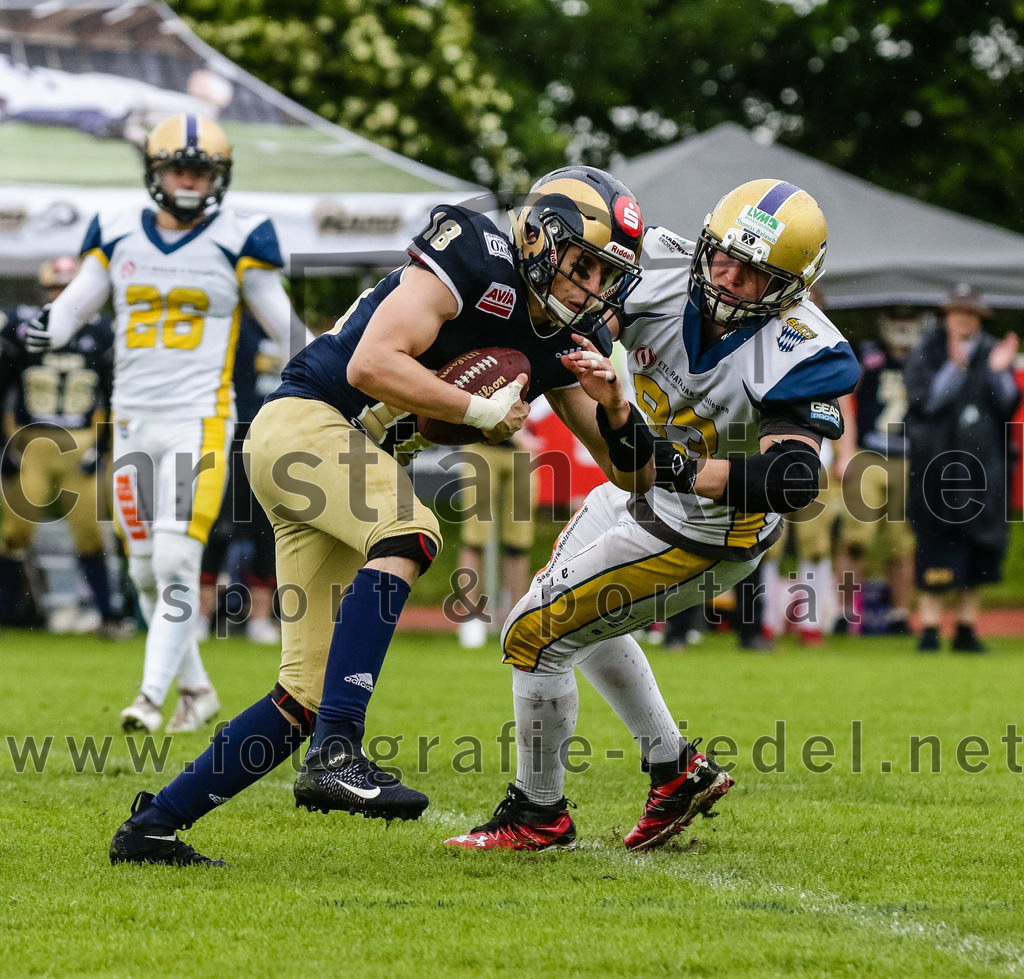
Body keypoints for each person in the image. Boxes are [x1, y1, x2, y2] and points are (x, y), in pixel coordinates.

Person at [105, 166, 650, 866]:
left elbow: (629, 471)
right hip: (307, 421)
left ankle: (152, 827)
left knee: (302, 695)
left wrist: (617, 408)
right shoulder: (476, 251)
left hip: (342, 454)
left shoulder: (569, 335)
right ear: (540, 240)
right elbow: (369, 364)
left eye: (607, 275)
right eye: (583, 266)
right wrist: (476, 409)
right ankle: (338, 750)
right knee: (409, 530)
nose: (592, 288)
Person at [444, 178, 861, 852]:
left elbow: (792, 478)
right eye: (722, 256)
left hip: (708, 531)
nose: (727, 277)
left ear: (791, 287)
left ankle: (538, 815)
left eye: (753, 273)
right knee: (572, 624)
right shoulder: (661, 266)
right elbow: (582, 327)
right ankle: (675, 770)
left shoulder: (801, 344)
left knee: (534, 634)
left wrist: (681, 468)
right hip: (638, 488)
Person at [24, 113, 307, 733]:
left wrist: (340, 369)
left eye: (201, 170)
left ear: (219, 177)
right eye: (179, 167)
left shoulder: (240, 236)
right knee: (143, 568)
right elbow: (71, 309)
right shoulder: (118, 228)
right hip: (129, 421)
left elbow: (288, 330)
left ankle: (150, 698)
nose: (189, 180)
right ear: (155, 171)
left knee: (177, 561)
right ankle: (197, 690)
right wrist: (43, 328)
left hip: (198, 420)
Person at [0, 256, 123, 635]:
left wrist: (103, 445)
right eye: (54, 288)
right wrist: (5, 446)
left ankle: (109, 615)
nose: (61, 296)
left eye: (68, 288)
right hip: (31, 439)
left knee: (91, 532)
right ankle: (9, 613)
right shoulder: (23, 329)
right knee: (14, 532)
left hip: (80, 441)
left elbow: (114, 396)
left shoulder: (102, 332)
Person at [904, 283, 1020, 653]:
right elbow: (925, 403)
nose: (963, 320)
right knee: (936, 544)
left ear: (979, 317)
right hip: (937, 470)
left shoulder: (993, 352)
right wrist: (955, 368)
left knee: (980, 548)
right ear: (946, 316)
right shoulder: (926, 351)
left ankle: (967, 628)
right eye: (958, 312)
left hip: (986, 471)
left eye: (970, 313)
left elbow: (1006, 405)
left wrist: (999, 372)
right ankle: (930, 629)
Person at [833, 308, 923, 635]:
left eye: (909, 319)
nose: (902, 326)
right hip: (868, 454)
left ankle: (899, 615)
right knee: (855, 539)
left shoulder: (926, 357)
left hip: (908, 458)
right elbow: (842, 395)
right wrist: (846, 450)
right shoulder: (868, 354)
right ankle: (844, 613)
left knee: (902, 543)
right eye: (897, 318)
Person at [454, 426, 542, 649]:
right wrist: (520, 435)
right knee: (474, 538)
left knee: (519, 542)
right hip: (482, 445)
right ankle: (470, 615)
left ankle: (516, 617)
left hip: (522, 454)